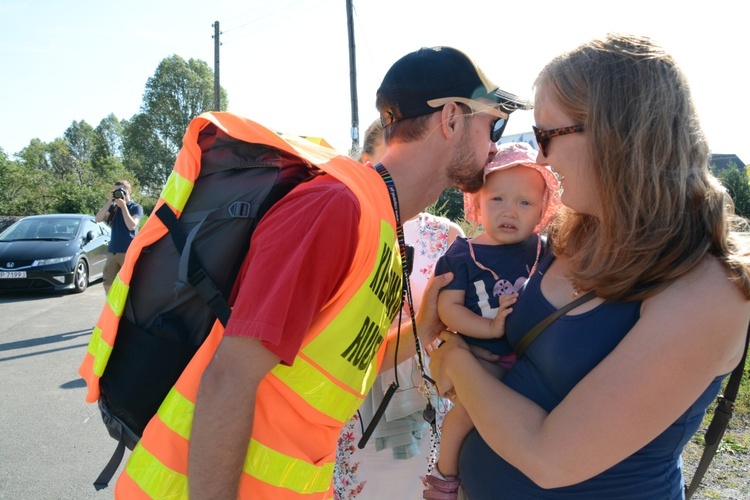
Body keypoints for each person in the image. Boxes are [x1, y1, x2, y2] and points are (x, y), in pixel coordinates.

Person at [111, 46, 530, 499]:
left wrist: (424, 326)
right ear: (450, 117)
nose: (496, 144)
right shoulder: (336, 207)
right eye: (495, 123)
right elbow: (229, 377)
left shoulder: (379, 224)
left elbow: (334, 360)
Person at [429, 33, 750, 499]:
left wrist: (457, 361)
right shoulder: (573, 233)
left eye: (546, 136)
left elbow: (550, 457)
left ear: (616, 134)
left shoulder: (708, 290)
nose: (539, 157)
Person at [334, 119, 465, 499]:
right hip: (355, 404)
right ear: (365, 163)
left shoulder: (446, 236)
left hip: (426, 405)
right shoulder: (347, 227)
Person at [424, 142, 560, 498]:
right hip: (482, 354)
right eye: (497, 199)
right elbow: (448, 308)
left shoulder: (545, 249)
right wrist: (489, 327)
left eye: (525, 202)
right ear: (478, 204)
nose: (509, 211)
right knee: (472, 409)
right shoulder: (462, 254)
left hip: (530, 357)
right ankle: (444, 474)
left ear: (542, 210)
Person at [94, 180, 143, 295]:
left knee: (130, 284)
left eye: (121, 190)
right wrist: (109, 203)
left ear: (129, 191)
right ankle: (112, 310)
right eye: (116, 191)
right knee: (108, 283)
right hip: (113, 251)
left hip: (128, 251)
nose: (119, 193)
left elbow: (131, 226)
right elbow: (98, 219)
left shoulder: (135, 207)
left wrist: (124, 207)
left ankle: (129, 310)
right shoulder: (113, 208)